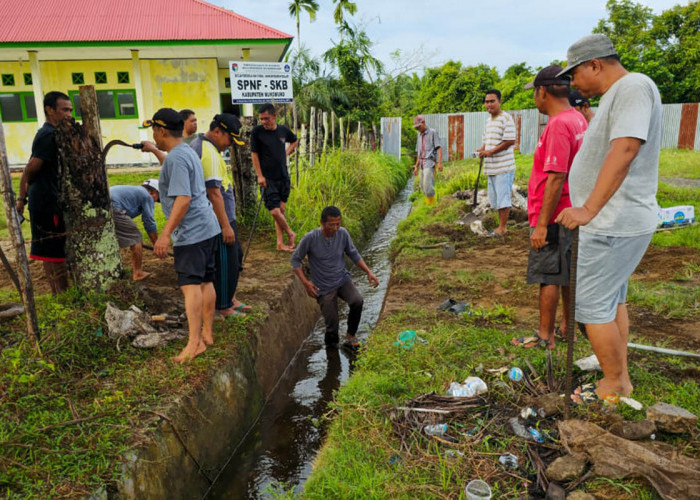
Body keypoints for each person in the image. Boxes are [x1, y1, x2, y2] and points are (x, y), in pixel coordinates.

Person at [555, 34, 662, 403]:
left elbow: (627, 147)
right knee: (613, 300)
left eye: (575, 75)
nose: (573, 85)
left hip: (614, 222)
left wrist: (589, 208)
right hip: (613, 222)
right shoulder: (620, 95)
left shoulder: (633, 87)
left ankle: (615, 383)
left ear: (594, 65)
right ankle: (616, 368)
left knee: (590, 305)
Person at [511, 66, 587, 350]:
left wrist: (542, 224)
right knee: (565, 272)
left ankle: (546, 336)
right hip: (570, 208)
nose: (534, 97)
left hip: (554, 213)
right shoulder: (577, 119)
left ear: (542, 91)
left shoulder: (557, 125)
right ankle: (567, 326)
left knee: (548, 274)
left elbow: (555, 177)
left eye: (534, 91)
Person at [144, 108, 221, 363]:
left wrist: (165, 235)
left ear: (162, 130)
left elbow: (183, 199)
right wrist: (155, 151)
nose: (153, 134)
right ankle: (206, 334)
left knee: (190, 287)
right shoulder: (185, 150)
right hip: (208, 227)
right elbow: (172, 167)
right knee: (205, 281)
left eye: (154, 129)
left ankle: (194, 342)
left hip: (192, 233)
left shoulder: (177, 158)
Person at [189, 114, 251, 318]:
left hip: (224, 216)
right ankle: (223, 305)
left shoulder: (210, 149)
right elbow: (214, 193)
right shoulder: (207, 152)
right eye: (229, 140)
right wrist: (225, 226)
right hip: (217, 219)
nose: (230, 145)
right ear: (217, 132)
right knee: (225, 262)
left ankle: (230, 297)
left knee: (236, 256)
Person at [291, 206, 379, 350]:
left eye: (338, 224)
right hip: (323, 287)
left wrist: (368, 272)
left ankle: (351, 336)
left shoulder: (343, 234)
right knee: (332, 325)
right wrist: (306, 283)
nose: (336, 228)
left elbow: (354, 254)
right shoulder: (310, 238)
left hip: (342, 279)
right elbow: (295, 260)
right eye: (332, 224)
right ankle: (332, 355)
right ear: (322, 222)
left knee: (357, 301)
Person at [15, 91, 73, 295]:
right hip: (46, 203)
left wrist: (22, 197)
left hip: (48, 200)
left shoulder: (54, 134)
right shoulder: (48, 135)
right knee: (53, 253)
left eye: (70, 110)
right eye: (64, 109)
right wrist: (24, 196)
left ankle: (62, 292)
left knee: (54, 251)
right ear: (50, 110)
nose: (69, 114)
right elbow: (31, 168)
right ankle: (61, 294)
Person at [251, 103, 298, 251]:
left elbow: (295, 140)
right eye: (262, 119)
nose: (264, 122)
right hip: (267, 178)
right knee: (274, 211)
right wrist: (259, 175)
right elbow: (254, 154)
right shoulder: (257, 132)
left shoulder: (283, 130)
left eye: (266, 118)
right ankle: (290, 233)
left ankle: (279, 243)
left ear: (274, 116)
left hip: (283, 176)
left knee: (281, 211)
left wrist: (286, 153)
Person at [476, 89, 516, 237]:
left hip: (503, 167)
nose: (489, 104)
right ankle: (501, 226)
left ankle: (503, 228)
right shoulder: (489, 121)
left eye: (492, 101)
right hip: (492, 167)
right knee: (496, 199)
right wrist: (482, 150)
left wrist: (490, 152)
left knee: (503, 199)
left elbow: (509, 141)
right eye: (487, 102)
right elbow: (487, 141)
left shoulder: (506, 118)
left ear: (500, 101)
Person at [109, 180, 160, 281]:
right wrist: (156, 244)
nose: (154, 202)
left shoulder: (135, 191)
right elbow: (149, 222)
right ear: (153, 192)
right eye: (157, 199)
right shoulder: (147, 196)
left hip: (104, 203)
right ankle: (138, 273)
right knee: (136, 238)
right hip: (114, 207)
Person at [413, 115, 443, 205]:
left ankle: (432, 206)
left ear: (424, 123)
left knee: (428, 186)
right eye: (416, 128)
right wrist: (416, 166)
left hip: (429, 162)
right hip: (422, 163)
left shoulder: (433, 132)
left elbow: (439, 148)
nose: (418, 129)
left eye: (419, 127)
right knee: (423, 186)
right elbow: (419, 152)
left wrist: (440, 163)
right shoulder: (419, 135)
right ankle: (429, 206)